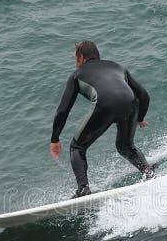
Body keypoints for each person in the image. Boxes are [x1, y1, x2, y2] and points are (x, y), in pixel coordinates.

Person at [49, 41, 155, 198]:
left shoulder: (76, 75)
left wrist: (55, 139)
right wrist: (140, 117)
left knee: (77, 147)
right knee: (125, 146)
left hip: (105, 105)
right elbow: (144, 95)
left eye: (75, 57)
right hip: (131, 103)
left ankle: (83, 188)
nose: (75, 61)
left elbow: (63, 110)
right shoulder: (118, 67)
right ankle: (148, 172)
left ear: (81, 57)